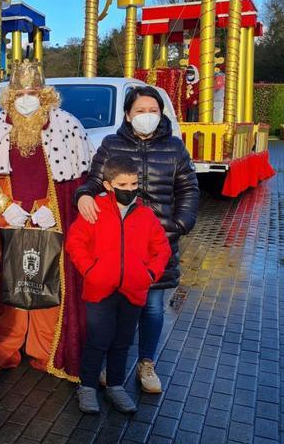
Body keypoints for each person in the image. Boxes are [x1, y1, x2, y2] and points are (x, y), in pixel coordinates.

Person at [0, 60, 94, 380]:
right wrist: (4, 205)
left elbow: (78, 182)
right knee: (8, 283)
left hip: (49, 217)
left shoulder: (67, 127)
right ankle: (4, 347)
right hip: (9, 217)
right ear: (11, 97)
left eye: (33, 93)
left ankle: (45, 349)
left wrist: (56, 210)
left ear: (45, 96)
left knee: (48, 280)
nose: (26, 99)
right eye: (20, 93)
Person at [76, 86, 199, 393]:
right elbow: (93, 180)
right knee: (115, 307)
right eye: (140, 111)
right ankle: (111, 364)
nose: (147, 117)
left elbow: (189, 189)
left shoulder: (174, 147)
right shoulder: (111, 144)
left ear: (161, 114)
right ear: (128, 115)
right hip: (117, 243)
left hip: (158, 240)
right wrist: (83, 195)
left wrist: (180, 223)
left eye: (153, 111)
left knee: (153, 307)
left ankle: (146, 363)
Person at [66, 155, 171, 414]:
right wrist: (91, 270)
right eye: (123, 184)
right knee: (98, 340)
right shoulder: (96, 210)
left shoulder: (145, 215)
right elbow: (75, 242)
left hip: (133, 290)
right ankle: (87, 386)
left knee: (123, 341)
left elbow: (162, 249)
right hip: (100, 289)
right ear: (109, 185)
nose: (130, 189)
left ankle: (115, 386)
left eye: (134, 183)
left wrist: (149, 274)